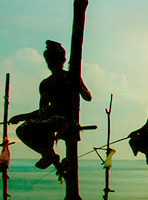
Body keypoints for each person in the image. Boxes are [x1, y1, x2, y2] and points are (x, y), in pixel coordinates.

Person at [6, 41, 91, 170]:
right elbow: (43, 111)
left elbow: (88, 97)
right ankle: (49, 154)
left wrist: (78, 86)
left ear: (62, 60)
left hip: (67, 121)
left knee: (38, 126)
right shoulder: (46, 83)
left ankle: (49, 155)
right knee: (25, 129)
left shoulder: (71, 77)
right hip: (52, 119)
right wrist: (22, 116)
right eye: (49, 62)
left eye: (54, 61)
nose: (51, 65)